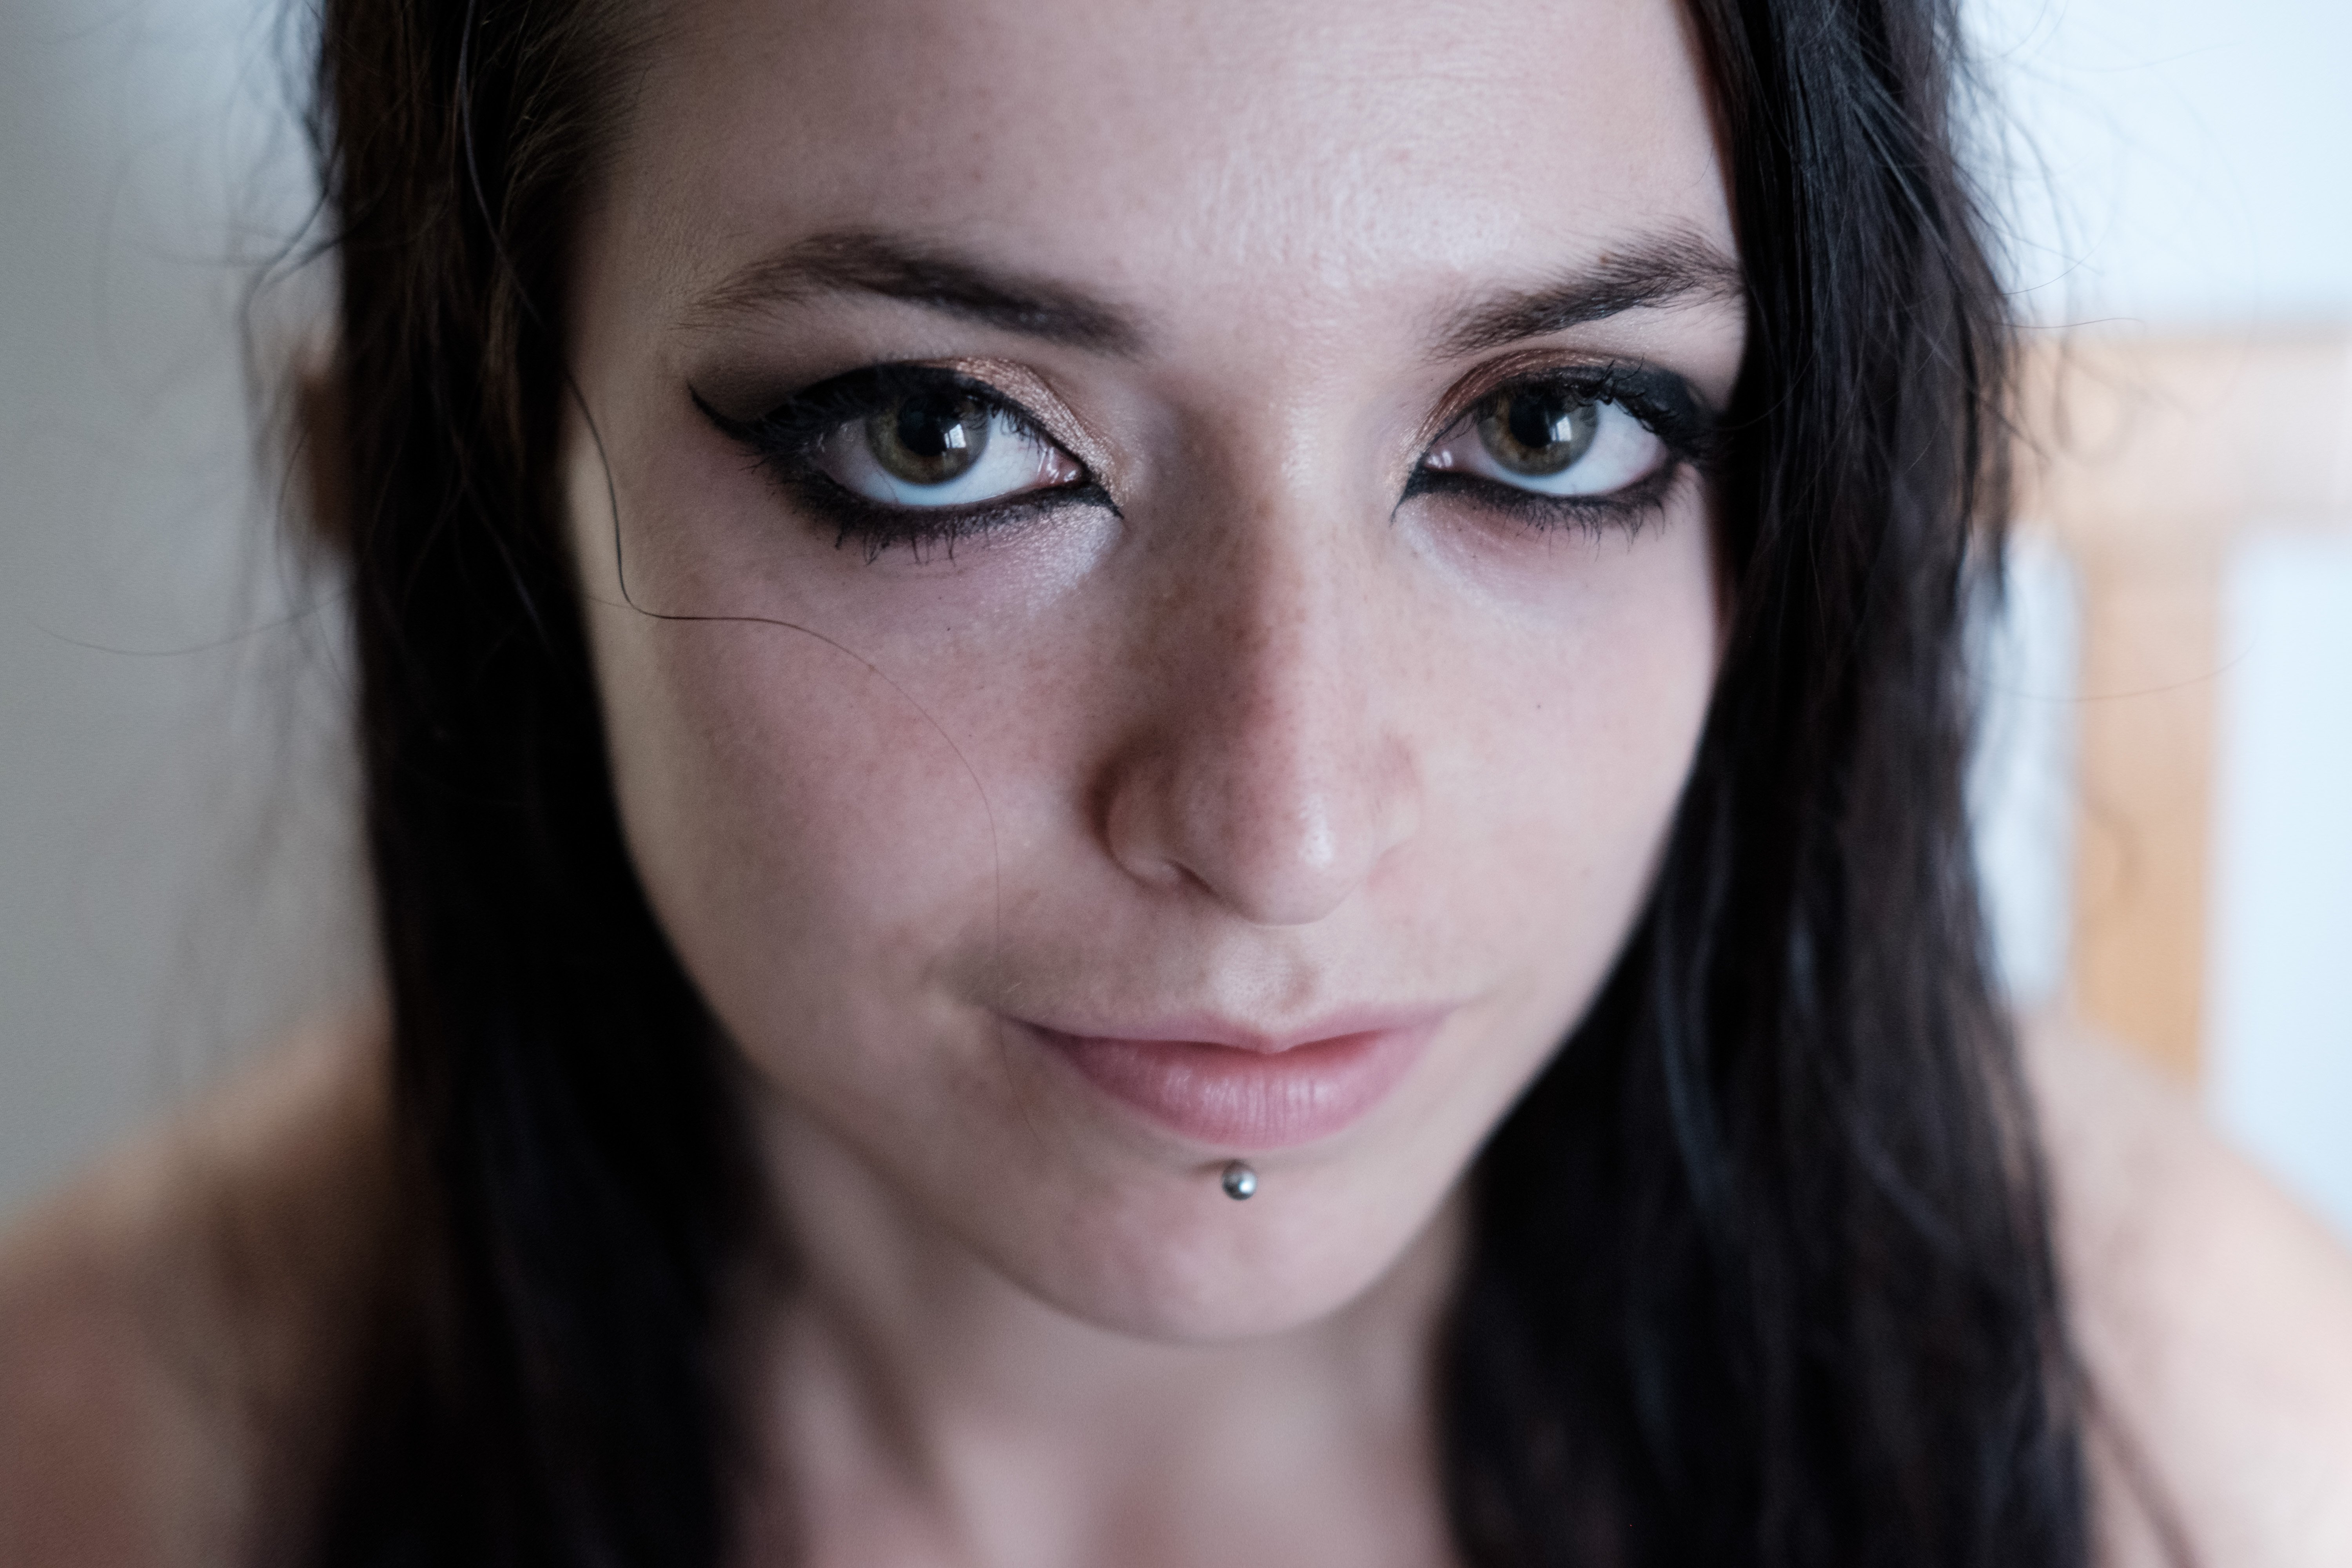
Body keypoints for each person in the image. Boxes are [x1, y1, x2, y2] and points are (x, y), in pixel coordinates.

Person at [4, 0, 2350, 1563]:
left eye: (1548, 429)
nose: (1281, 820)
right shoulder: (108, 1466)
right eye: (941, 438)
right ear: (503, 461)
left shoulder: (2184, 1439)